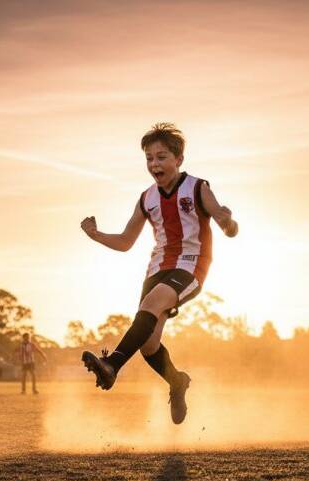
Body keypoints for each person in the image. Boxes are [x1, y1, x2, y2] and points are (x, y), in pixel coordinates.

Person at [80, 123, 239, 424]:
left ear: (178, 159)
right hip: (156, 269)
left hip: (192, 265)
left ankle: (112, 365)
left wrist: (229, 223)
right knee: (149, 345)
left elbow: (225, 222)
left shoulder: (197, 187)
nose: (155, 164)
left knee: (151, 305)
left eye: (162, 157)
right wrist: (96, 235)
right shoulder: (146, 198)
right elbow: (126, 241)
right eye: (149, 158)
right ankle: (177, 382)